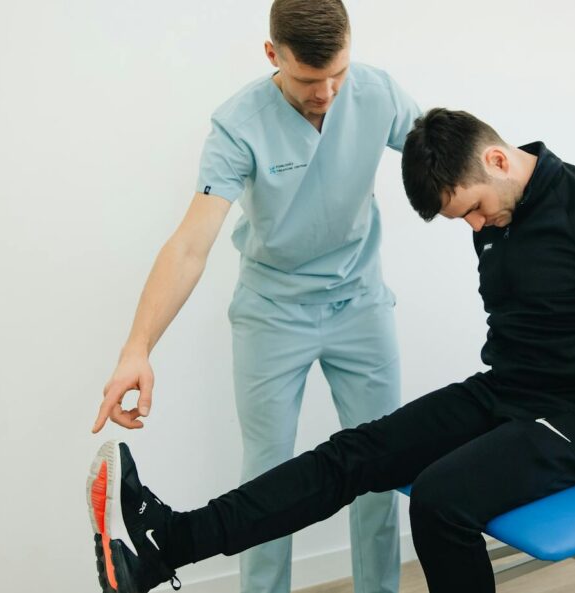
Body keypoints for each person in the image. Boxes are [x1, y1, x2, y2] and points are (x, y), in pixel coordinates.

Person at [86, 108, 575, 593]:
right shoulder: (499, 215)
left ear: (498, 160)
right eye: (460, 221)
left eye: (472, 210)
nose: (474, 227)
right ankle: (165, 545)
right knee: (353, 452)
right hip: (509, 391)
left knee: (442, 499)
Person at [89, 1, 421, 592]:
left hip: (361, 305)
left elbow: (446, 152)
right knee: (268, 485)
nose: (326, 93)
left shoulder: (376, 92)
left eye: (337, 73)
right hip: (273, 316)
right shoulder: (239, 124)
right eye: (307, 79)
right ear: (273, 55)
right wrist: (137, 347)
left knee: (383, 470)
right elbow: (192, 244)